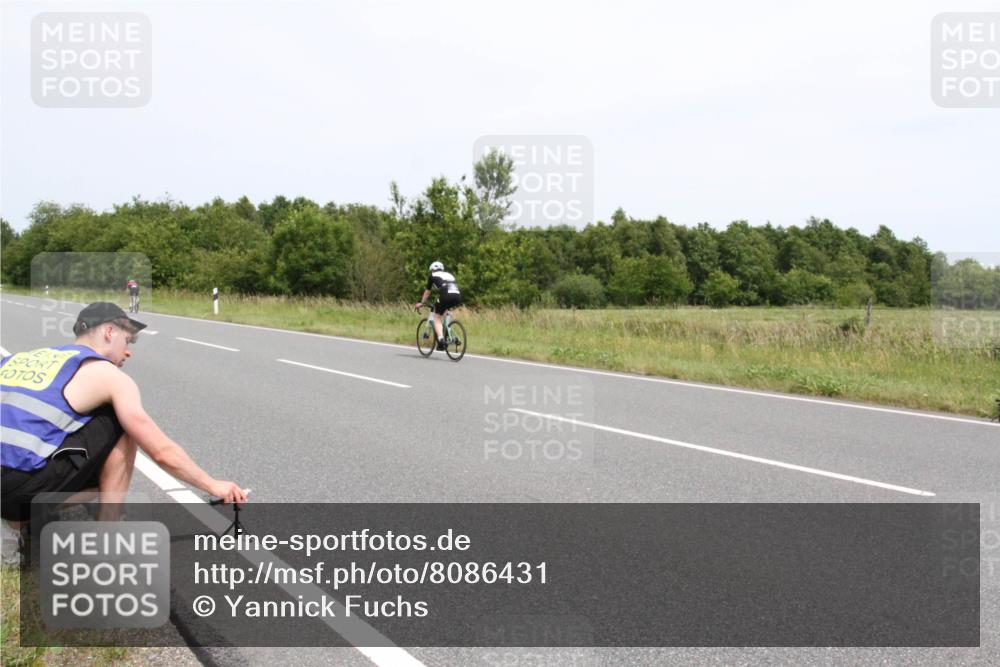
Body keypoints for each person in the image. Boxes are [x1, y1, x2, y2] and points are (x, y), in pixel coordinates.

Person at [1, 302, 247, 528]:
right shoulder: (107, 374)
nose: (128, 352)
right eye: (128, 341)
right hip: (16, 494)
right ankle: (108, 526)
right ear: (109, 332)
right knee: (122, 421)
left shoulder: (20, 359)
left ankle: (19, 523)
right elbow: (161, 451)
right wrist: (213, 485)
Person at [415, 261, 462, 351]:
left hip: (446, 294)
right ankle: (448, 335)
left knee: (437, 317)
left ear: (432, 269)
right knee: (444, 312)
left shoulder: (432, 275)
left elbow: (427, 291)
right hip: (457, 295)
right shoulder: (449, 274)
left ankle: (441, 340)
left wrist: (422, 303)